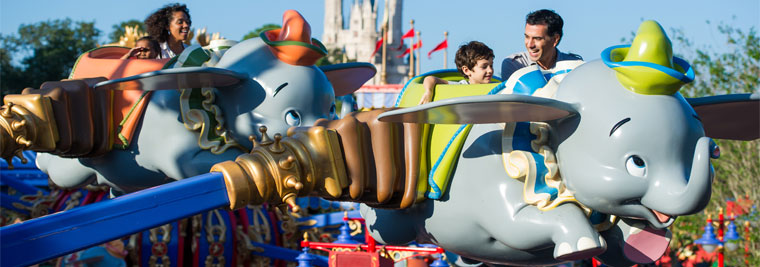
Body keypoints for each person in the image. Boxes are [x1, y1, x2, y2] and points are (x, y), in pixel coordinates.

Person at [500, 9, 582, 81]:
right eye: (527, 37)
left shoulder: (575, 66)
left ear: (555, 39)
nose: (530, 45)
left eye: (537, 38)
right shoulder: (514, 64)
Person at [419, 41, 495, 104]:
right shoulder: (461, 86)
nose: (490, 70)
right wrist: (429, 91)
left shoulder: (495, 88)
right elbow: (430, 79)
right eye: (484, 67)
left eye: (491, 66)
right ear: (467, 70)